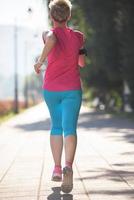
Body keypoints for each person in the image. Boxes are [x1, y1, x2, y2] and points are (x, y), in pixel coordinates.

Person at [34, 0, 86, 193]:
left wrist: (40, 62)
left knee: (56, 126)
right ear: (69, 16)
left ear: (51, 16)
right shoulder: (79, 37)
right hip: (72, 89)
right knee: (70, 128)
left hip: (51, 89)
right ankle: (68, 167)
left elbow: (53, 40)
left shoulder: (48, 34)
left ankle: (56, 169)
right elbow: (81, 63)